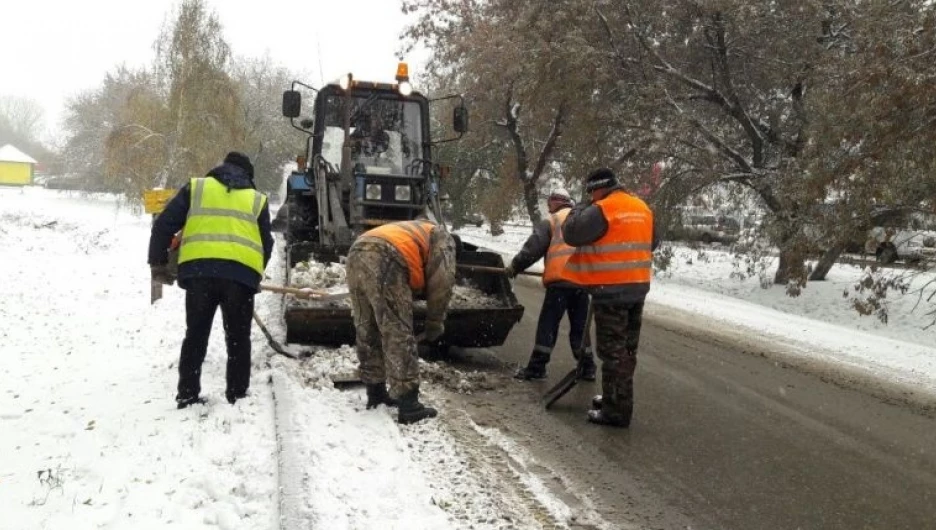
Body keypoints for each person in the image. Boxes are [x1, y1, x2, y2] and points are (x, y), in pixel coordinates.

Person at [149, 152, 274, 409]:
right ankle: (237, 393)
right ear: (248, 175)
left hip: (199, 275)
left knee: (195, 334)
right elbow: (266, 243)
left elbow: (163, 225)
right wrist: (255, 273)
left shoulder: (197, 188)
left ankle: (187, 393)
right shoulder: (256, 199)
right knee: (238, 337)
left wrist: (158, 263)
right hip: (239, 278)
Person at [562, 168, 657, 427]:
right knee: (626, 350)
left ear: (599, 188)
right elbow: (653, 241)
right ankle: (616, 398)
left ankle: (616, 412)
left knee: (612, 353)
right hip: (637, 288)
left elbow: (571, 233)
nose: (591, 197)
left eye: (591, 192)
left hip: (611, 291)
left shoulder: (603, 208)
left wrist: (578, 207)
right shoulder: (641, 207)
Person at [345, 218, 456, 424]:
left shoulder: (411, 230)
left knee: (367, 327)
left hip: (356, 251)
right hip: (386, 255)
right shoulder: (442, 237)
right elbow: (442, 283)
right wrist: (434, 322)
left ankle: (376, 393)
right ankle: (409, 405)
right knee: (397, 331)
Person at [505, 189, 595, 381]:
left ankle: (537, 368)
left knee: (548, 325)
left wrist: (515, 266)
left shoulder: (553, 220)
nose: (548, 207)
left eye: (550, 203)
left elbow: (533, 248)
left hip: (560, 282)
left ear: (555, 202)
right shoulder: (581, 221)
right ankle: (587, 367)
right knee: (580, 328)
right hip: (581, 283)